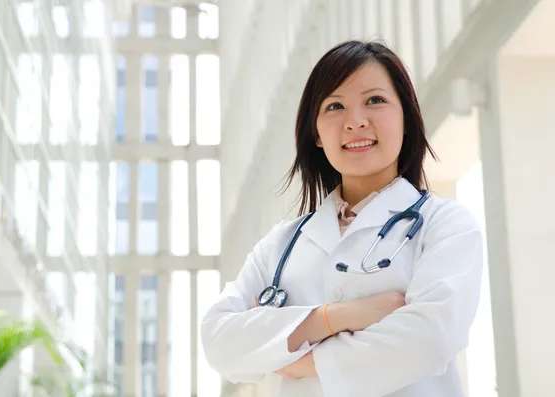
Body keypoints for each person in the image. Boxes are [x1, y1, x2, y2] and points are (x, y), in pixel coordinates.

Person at [200, 40, 483, 397]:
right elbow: (219, 341)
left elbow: (430, 338)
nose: (355, 122)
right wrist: (338, 317)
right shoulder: (281, 244)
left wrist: (292, 357)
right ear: (316, 134)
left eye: (375, 101)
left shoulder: (445, 225)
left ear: (406, 118)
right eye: (335, 106)